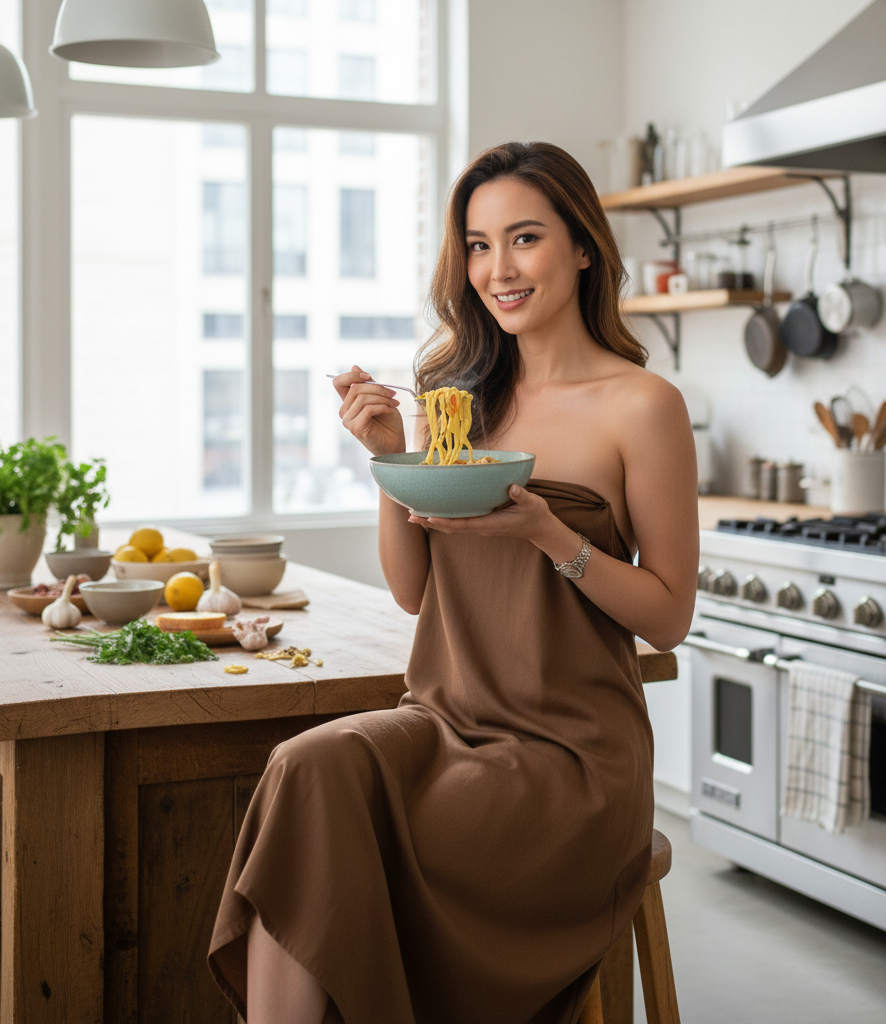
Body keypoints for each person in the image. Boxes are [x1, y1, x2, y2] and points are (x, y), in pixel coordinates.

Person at [208, 140, 698, 1024]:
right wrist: (391, 461)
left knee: (347, 839)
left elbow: (669, 617)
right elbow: (413, 590)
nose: (497, 270)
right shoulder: (456, 397)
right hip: (444, 717)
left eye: (523, 239)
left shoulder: (643, 406)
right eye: (477, 245)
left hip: (571, 758)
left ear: (582, 247)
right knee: (305, 769)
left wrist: (550, 532)